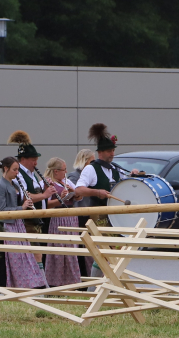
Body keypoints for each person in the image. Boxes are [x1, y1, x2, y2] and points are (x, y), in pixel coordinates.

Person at [76, 123, 140, 282]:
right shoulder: (91, 169)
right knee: (108, 250)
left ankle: (102, 286)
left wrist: (133, 175)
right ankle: (99, 287)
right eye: (109, 151)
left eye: (113, 150)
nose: (112, 154)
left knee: (114, 250)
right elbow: (79, 189)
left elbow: (124, 186)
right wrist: (97, 192)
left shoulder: (114, 169)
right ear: (100, 152)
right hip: (98, 215)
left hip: (114, 216)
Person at [0, 157, 47, 289]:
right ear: (6, 169)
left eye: (18, 170)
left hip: (18, 224)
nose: (17, 173)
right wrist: (21, 207)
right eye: (14, 170)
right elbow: (1, 210)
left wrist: (26, 201)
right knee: (15, 257)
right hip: (7, 225)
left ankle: (31, 283)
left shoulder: (14, 185)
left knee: (26, 255)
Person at [7, 131, 55, 267]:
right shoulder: (19, 174)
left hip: (38, 221)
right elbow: (25, 196)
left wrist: (45, 187)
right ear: (23, 159)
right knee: (34, 255)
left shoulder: (31, 174)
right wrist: (44, 195)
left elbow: (35, 192)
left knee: (39, 254)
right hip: (27, 221)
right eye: (33, 159)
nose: (36, 162)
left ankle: (40, 277)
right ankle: (38, 278)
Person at [43, 157, 83, 286]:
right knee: (59, 251)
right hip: (59, 218)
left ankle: (72, 281)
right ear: (56, 171)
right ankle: (56, 282)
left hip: (71, 218)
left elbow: (79, 197)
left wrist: (73, 192)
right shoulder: (48, 183)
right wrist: (61, 198)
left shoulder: (67, 181)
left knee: (72, 251)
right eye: (63, 170)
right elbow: (46, 204)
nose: (66, 172)